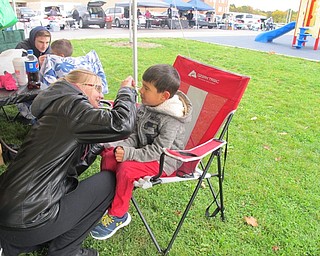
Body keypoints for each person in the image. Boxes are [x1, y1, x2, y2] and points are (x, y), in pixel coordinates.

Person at [0, 69, 137, 256]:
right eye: (97, 87)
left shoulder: (56, 108)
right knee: (108, 182)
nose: (102, 94)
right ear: (78, 87)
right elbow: (121, 124)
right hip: (30, 220)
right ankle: (66, 252)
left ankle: (12, 246)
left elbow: (68, 167)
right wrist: (126, 92)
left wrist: (96, 144)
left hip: (9, 218)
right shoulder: (72, 105)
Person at [90, 64, 192, 240]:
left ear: (164, 96)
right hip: (142, 151)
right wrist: (120, 146)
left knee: (127, 169)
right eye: (142, 85)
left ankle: (118, 214)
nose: (140, 91)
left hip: (164, 160)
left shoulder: (172, 120)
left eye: (146, 88)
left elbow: (158, 150)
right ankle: (107, 197)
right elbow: (136, 135)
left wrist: (129, 154)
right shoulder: (148, 105)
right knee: (109, 155)